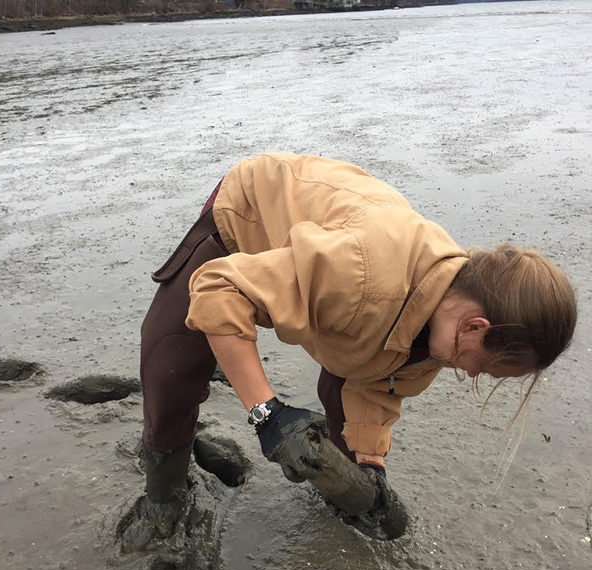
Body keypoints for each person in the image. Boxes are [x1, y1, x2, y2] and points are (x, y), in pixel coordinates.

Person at [126, 152, 577, 544]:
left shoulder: (446, 332)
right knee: (172, 367)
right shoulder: (362, 274)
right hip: (251, 212)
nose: (472, 374)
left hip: (342, 255)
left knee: (352, 389)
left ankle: (337, 495)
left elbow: (379, 384)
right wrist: (268, 414)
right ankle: (165, 497)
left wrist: (369, 467)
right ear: (476, 327)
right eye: (483, 367)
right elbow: (220, 288)